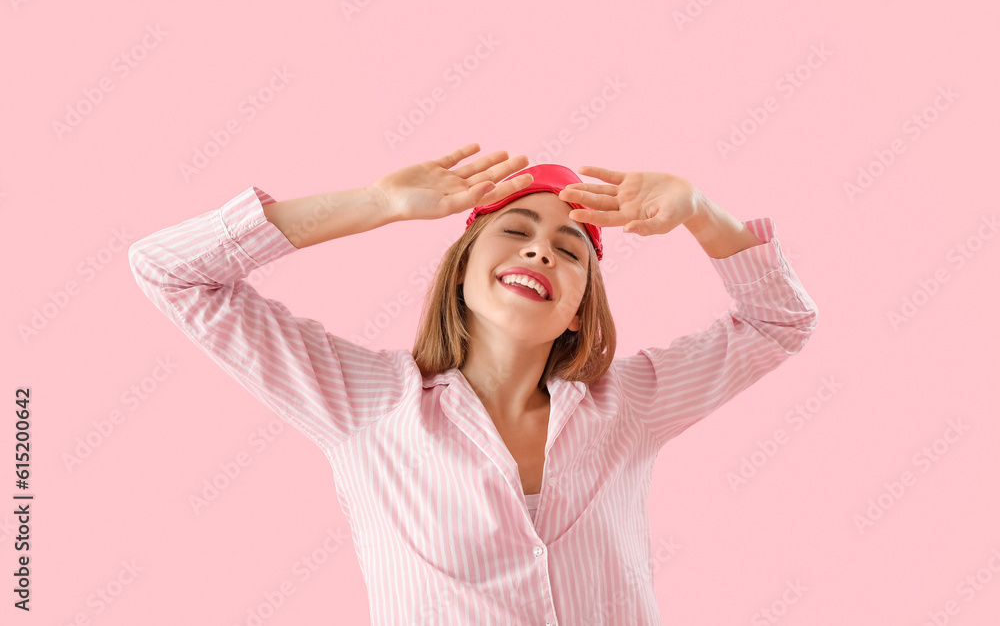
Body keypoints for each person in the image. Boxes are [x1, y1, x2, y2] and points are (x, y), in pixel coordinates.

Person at [128, 142, 818, 625]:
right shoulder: (365, 403)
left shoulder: (628, 405)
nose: (541, 247)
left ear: (580, 307)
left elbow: (779, 320)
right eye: (516, 229)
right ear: (462, 268)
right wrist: (379, 202)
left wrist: (700, 211)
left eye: (570, 247)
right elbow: (170, 269)